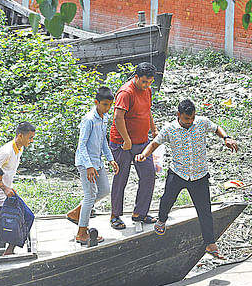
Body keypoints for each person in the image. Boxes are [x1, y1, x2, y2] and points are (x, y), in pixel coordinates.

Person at [135, 99, 238, 259]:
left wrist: (226, 138)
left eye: (191, 118)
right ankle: (161, 220)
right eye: (186, 119)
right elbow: (154, 144)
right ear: (178, 115)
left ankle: (210, 243)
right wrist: (144, 154)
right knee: (167, 199)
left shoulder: (202, 122)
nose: (189, 122)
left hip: (199, 175)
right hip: (178, 173)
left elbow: (217, 128)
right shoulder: (170, 129)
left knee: (204, 210)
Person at [65, 87, 120, 245]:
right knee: (90, 195)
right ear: (96, 102)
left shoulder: (104, 117)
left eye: (110, 105)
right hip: (86, 163)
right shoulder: (89, 119)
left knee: (104, 190)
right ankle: (81, 233)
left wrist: (110, 159)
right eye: (104, 105)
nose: (107, 108)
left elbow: (103, 140)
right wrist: (88, 166)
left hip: (98, 161)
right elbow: (81, 146)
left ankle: (77, 212)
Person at [109, 62, 158, 230]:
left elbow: (147, 111)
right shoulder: (126, 92)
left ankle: (140, 212)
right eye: (144, 82)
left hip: (142, 142)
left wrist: (154, 129)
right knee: (121, 177)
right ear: (136, 77)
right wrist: (126, 139)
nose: (146, 85)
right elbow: (118, 118)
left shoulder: (147, 90)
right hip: (122, 143)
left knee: (149, 173)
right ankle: (115, 215)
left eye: (150, 82)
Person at [0, 122, 35, 255]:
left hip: (9, 194)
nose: (31, 141)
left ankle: (9, 250)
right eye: (30, 138)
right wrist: (3, 187)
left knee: (28, 217)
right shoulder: (6, 151)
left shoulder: (20, 149)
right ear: (20, 136)